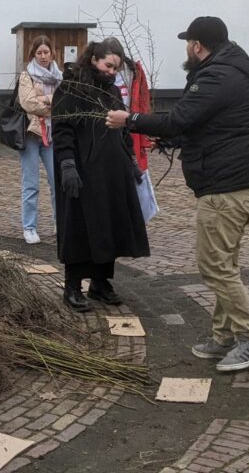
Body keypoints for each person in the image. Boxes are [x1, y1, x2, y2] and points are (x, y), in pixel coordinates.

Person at [106, 16, 249, 372]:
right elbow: (200, 126)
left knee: (214, 267)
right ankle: (224, 336)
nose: (186, 49)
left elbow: (179, 119)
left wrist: (131, 120)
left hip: (227, 187)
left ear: (198, 46)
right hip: (237, 182)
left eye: (188, 43)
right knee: (224, 263)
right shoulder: (229, 71)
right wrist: (169, 139)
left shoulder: (216, 76)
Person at [51, 40, 149, 312]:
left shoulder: (112, 91)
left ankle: (100, 283)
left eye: (116, 68)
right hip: (82, 171)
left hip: (111, 172)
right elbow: (63, 129)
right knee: (80, 227)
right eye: (108, 65)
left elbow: (123, 128)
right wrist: (67, 164)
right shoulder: (71, 88)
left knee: (109, 225)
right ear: (94, 59)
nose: (111, 72)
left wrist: (131, 161)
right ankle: (72, 286)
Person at [16, 36, 61, 245]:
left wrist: (45, 100)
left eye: (46, 52)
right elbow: (28, 104)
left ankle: (60, 223)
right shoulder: (27, 76)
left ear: (52, 52)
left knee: (57, 181)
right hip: (32, 135)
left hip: (53, 136)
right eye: (39, 53)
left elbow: (64, 100)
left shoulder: (59, 76)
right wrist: (52, 105)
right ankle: (30, 226)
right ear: (33, 54)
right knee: (31, 183)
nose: (43, 56)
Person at [102, 37, 154, 174]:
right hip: (106, 127)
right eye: (109, 65)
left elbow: (143, 101)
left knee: (136, 171)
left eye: (116, 65)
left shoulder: (133, 72)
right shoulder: (99, 74)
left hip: (129, 124)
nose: (112, 70)